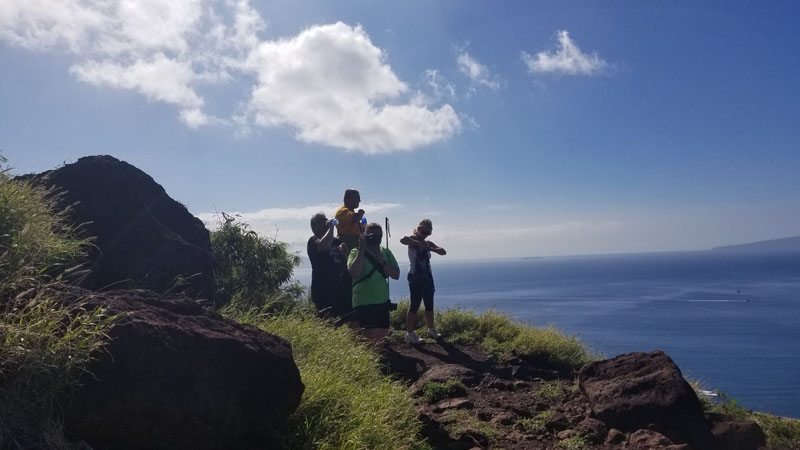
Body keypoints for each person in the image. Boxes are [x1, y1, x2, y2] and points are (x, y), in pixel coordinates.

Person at [347, 222, 399, 347]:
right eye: (372, 235)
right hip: (364, 302)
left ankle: (376, 364)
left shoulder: (386, 252)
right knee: (368, 339)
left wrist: (383, 262)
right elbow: (354, 272)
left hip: (382, 302)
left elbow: (396, 275)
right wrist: (361, 250)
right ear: (364, 236)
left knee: (381, 336)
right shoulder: (355, 252)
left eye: (379, 235)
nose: (376, 238)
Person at [401, 219, 446, 344]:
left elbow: (443, 251)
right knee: (414, 305)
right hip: (415, 275)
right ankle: (410, 334)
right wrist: (418, 243)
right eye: (423, 231)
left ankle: (431, 329)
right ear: (418, 229)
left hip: (427, 276)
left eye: (427, 233)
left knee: (429, 304)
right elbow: (403, 240)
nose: (424, 234)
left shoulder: (427, 242)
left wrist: (430, 248)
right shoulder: (412, 239)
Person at [307, 213, 353, 323]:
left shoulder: (336, 241)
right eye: (323, 221)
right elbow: (323, 246)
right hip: (323, 289)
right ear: (315, 226)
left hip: (340, 288)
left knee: (347, 319)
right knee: (326, 321)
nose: (326, 223)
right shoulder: (313, 241)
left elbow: (344, 262)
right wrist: (331, 228)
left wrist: (343, 253)